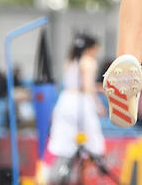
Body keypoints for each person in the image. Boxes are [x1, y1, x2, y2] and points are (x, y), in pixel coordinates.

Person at [42, 34, 105, 181]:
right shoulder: (88, 61)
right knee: (91, 143)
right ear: (91, 48)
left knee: (65, 145)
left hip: (64, 102)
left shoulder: (70, 61)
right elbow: (87, 87)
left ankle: (56, 176)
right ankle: (80, 177)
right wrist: (99, 102)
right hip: (79, 103)